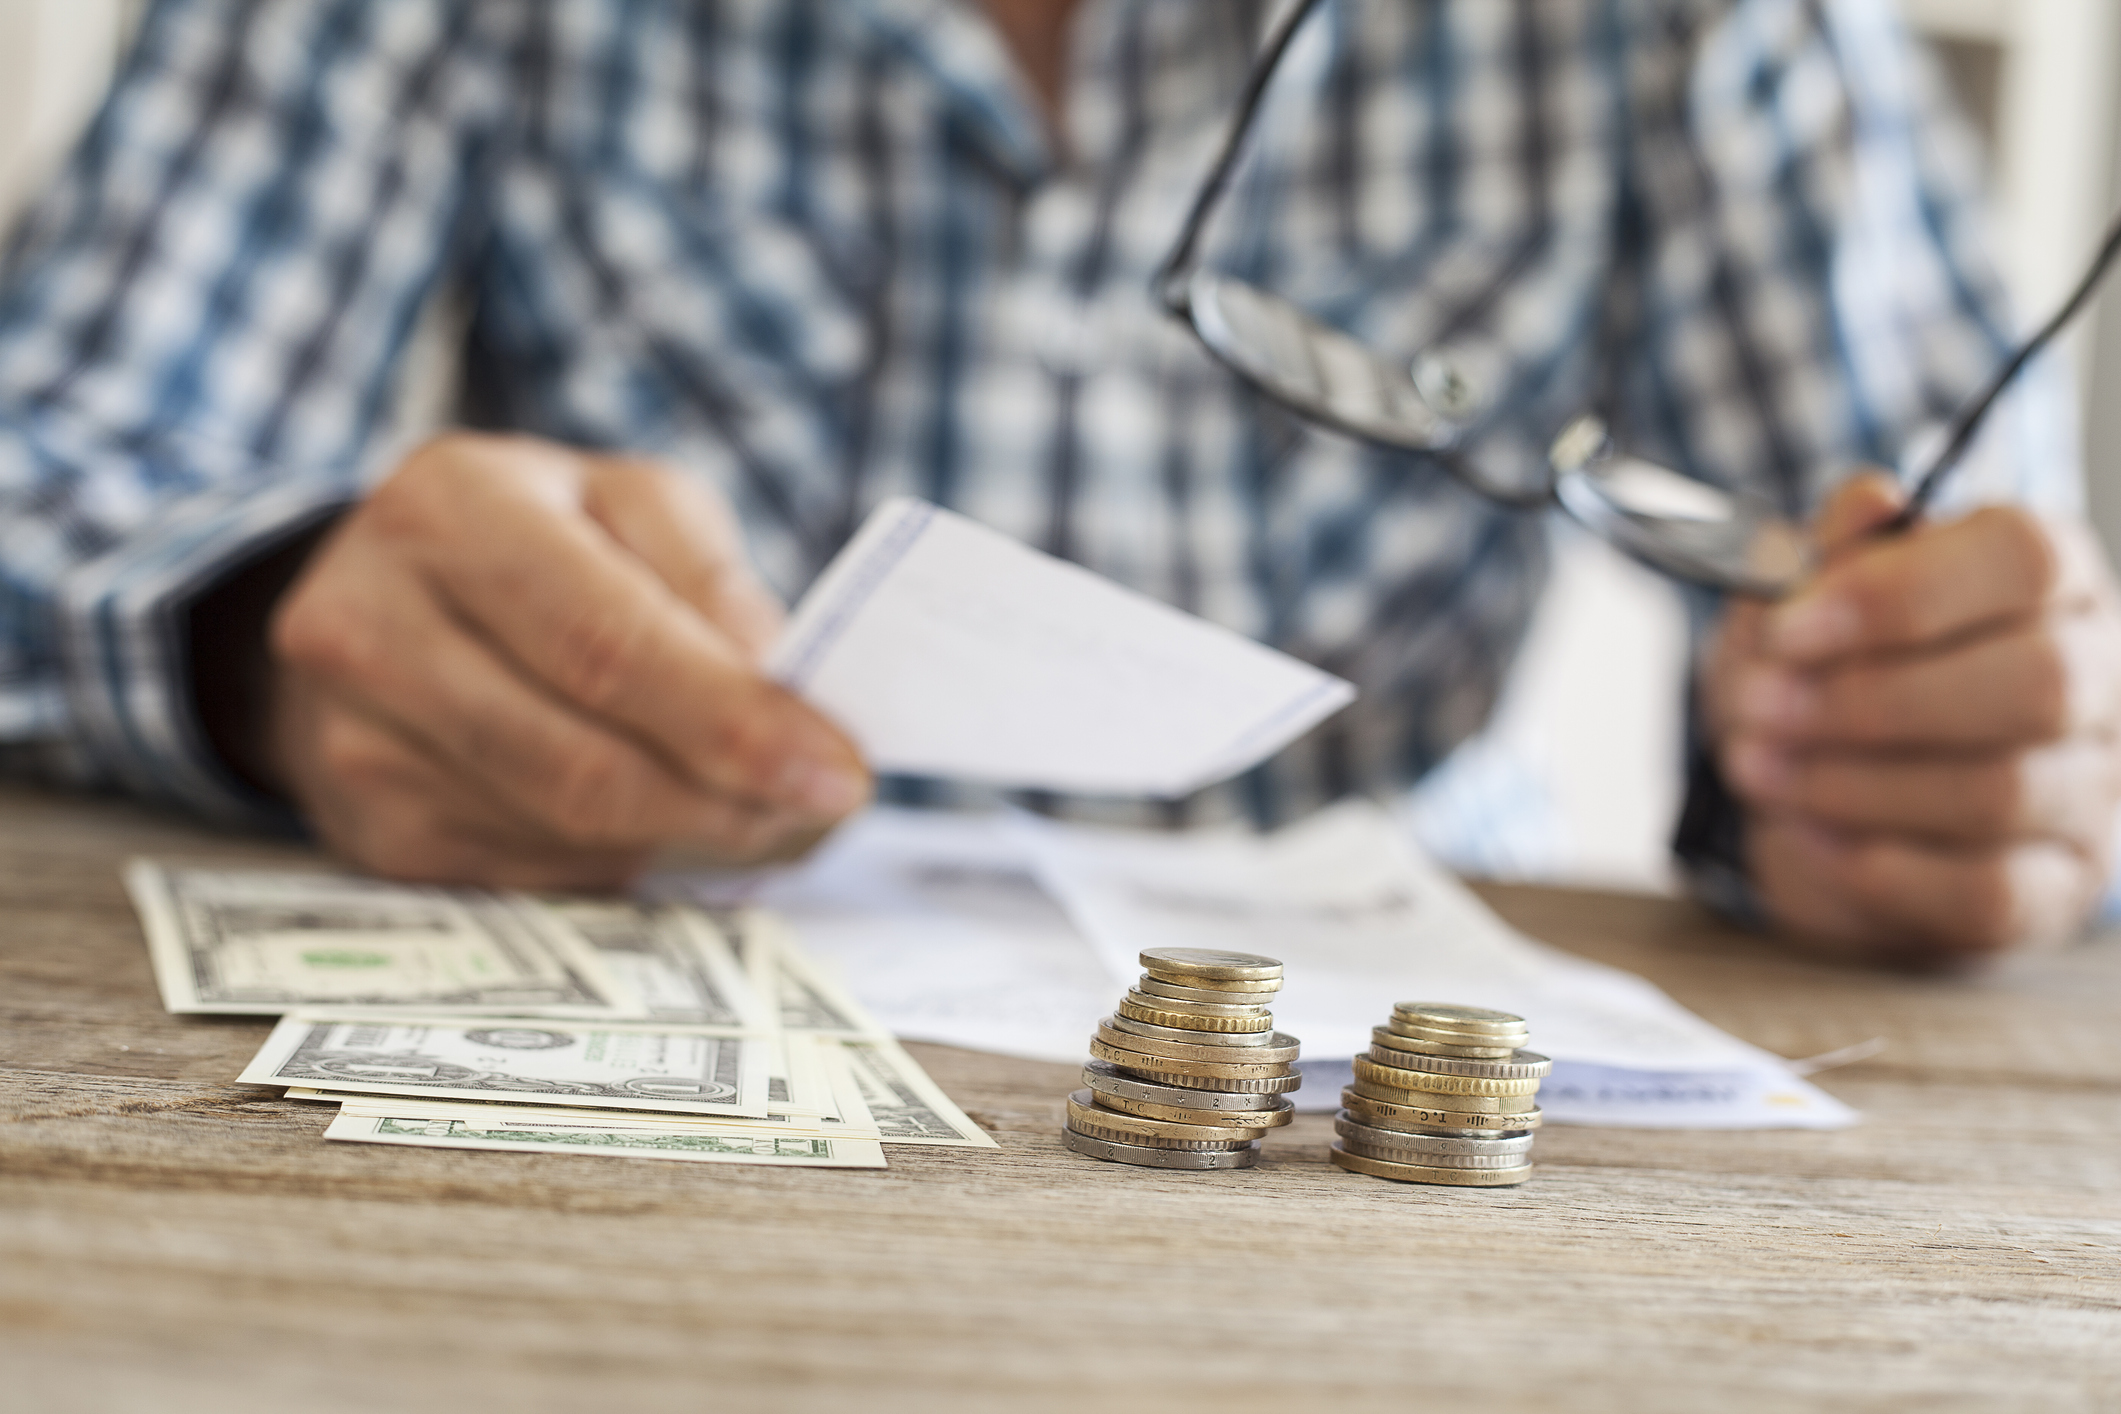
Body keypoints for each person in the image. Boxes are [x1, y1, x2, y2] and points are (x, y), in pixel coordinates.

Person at [0, 0, 2115, 968]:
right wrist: (271, 630)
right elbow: (49, 469)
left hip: (1408, 1120)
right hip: (639, 996)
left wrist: (1911, 764)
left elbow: (2004, 665)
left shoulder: (1699, 27)